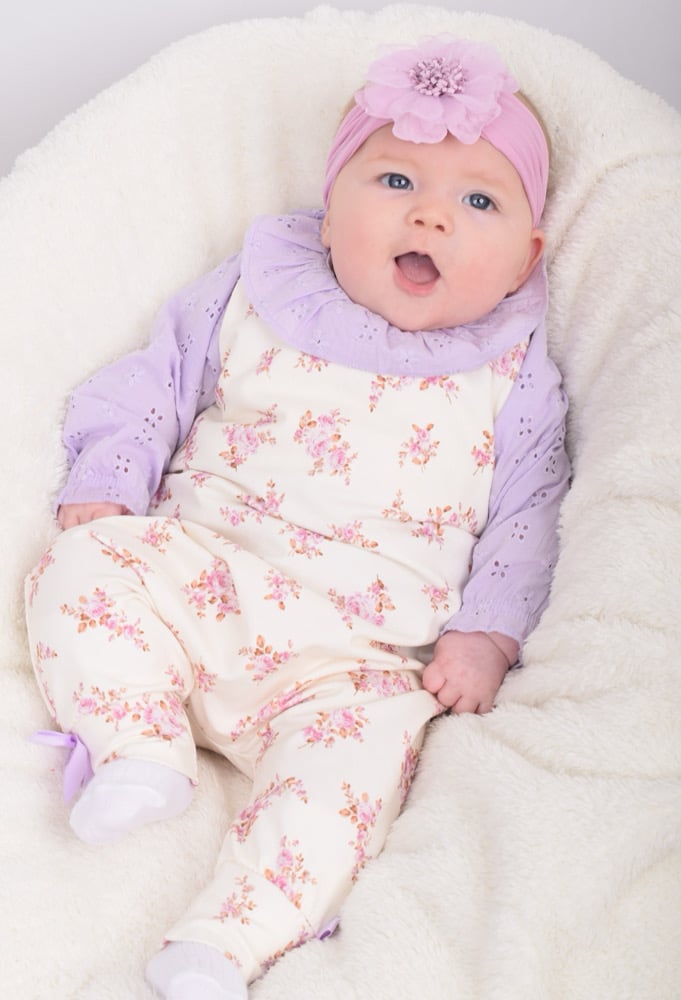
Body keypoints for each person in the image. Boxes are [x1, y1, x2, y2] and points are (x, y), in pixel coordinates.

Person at [25, 35, 569, 1000]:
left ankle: (225, 942)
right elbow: (156, 378)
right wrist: (111, 473)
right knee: (82, 561)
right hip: (201, 575)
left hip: (352, 665)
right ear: (329, 208)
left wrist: (486, 633)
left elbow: (530, 510)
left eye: (479, 202)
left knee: (358, 779)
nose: (430, 214)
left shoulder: (512, 371)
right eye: (394, 180)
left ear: (526, 257)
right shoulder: (259, 290)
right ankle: (137, 746)